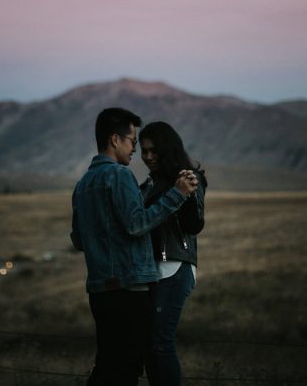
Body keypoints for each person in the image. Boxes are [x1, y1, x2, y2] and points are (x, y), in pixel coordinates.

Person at [71, 108, 199, 386]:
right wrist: (177, 194)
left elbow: (78, 239)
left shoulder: (82, 185)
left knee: (106, 364)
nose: (134, 150)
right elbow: (136, 224)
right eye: (132, 142)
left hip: (98, 290)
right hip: (129, 289)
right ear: (115, 140)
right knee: (127, 368)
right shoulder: (120, 176)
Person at [138, 121, 207, 386]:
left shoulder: (188, 178)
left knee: (160, 344)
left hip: (175, 268)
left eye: (154, 150)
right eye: (144, 151)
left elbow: (195, 225)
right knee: (150, 347)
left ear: (168, 149)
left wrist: (184, 194)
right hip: (150, 270)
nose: (147, 156)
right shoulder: (149, 183)